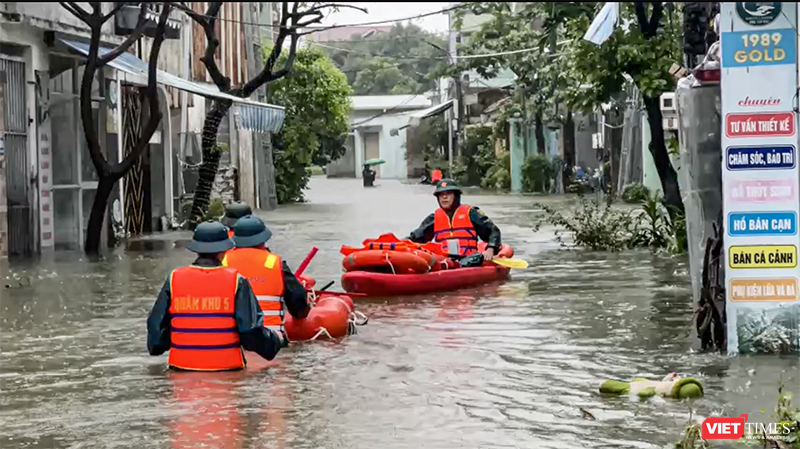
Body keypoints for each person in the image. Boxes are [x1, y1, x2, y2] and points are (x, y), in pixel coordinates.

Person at [147, 221, 285, 371]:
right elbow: (250, 332)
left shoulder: (174, 278)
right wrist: (274, 342)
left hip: (181, 370)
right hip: (227, 371)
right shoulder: (237, 281)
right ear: (223, 251)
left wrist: (157, 347)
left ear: (196, 249)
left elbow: (156, 327)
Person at [222, 215, 311, 337]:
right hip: (271, 338)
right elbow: (297, 301)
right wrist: (302, 313)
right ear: (263, 240)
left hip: (232, 337)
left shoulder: (223, 261)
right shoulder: (275, 263)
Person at [406, 178, 501, 267]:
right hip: (445, 260)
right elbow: (417, 237)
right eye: (441, 195)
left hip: (469, 259)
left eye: (448, 194)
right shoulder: (434, 217)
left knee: (474, 258)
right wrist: (399, 243)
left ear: (456, 196)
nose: (444, 197)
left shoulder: (471, 213)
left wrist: (491, 248)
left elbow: (493, 231)